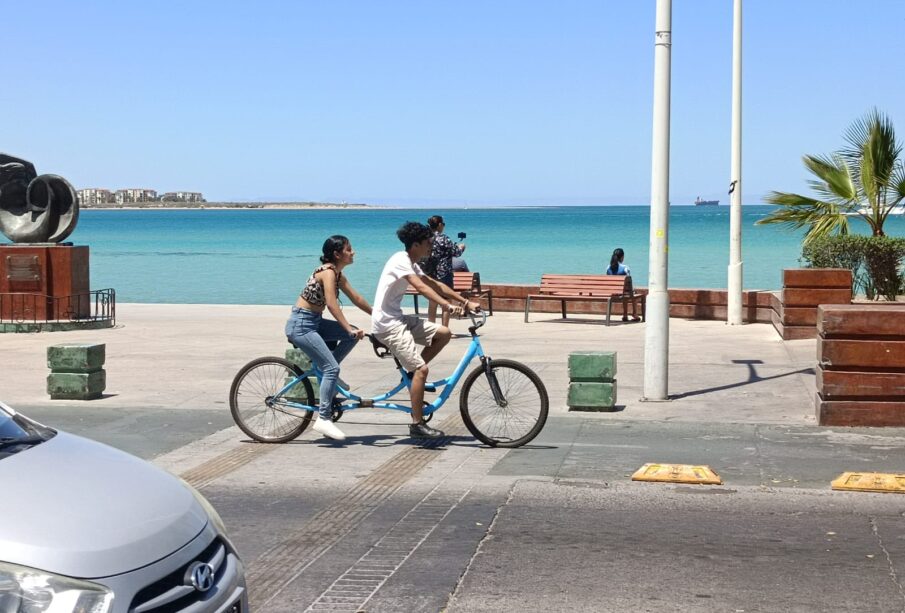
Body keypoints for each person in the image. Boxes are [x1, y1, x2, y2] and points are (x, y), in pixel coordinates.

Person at [372, 221, 480, 439]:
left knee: (444, 333)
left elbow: (433, 283)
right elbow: (420, 288)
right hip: (387, 325)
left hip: (398, 318)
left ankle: (412, 376)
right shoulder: (400, 260)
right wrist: (447, 305)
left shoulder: (412, 262)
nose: (431, 245)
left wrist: (464, 301)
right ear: (415, 244)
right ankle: (416, 423)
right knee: (423, 370)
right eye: (428, 242)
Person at [286, 235, 372, 441]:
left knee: (350, 337)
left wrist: (378, 316)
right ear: (337, 254)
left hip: (314, 322)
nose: (353, 252)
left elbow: (357, 299)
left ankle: (328, 377)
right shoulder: (327, 273)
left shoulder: (338, 274)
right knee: (332, 367)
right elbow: (333, 305)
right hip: (301, 325)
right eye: (349, 249)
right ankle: (323, 418)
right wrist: (348, 328)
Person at [425, 215, 466, 327]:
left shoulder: (427, 238)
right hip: (444, 273)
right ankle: (444, 329)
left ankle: (431, 328)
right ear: (439, 225)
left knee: (432, 302)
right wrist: (461, 247)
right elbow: (456, 253)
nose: (443, 226)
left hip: (430, 273)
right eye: (443, 224)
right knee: (446, 302)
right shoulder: (443, 238)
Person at [606, 247, 640, 322]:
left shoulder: (608, 268)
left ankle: (625, 314)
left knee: (625, 292)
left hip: (613, 292)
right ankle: (634, 314)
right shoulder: (625, 268)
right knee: (630, 293)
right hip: (624, 292)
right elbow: (629, 282)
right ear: (622, 257)